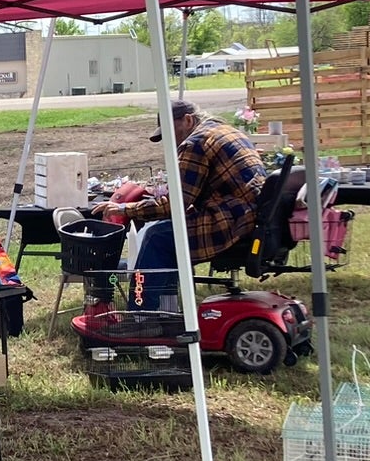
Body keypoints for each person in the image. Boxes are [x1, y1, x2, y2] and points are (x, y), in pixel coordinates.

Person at [94, 100, 266, 308]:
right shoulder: (225, 130)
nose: (169, 140)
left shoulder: (196, 142)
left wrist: (125, 209)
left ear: (187, 120)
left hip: (230, 222)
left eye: (169, 131)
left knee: (156, 236)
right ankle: (167, 309)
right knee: (164, 234)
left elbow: (175, 204)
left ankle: (140, 315)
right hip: (249, 216)